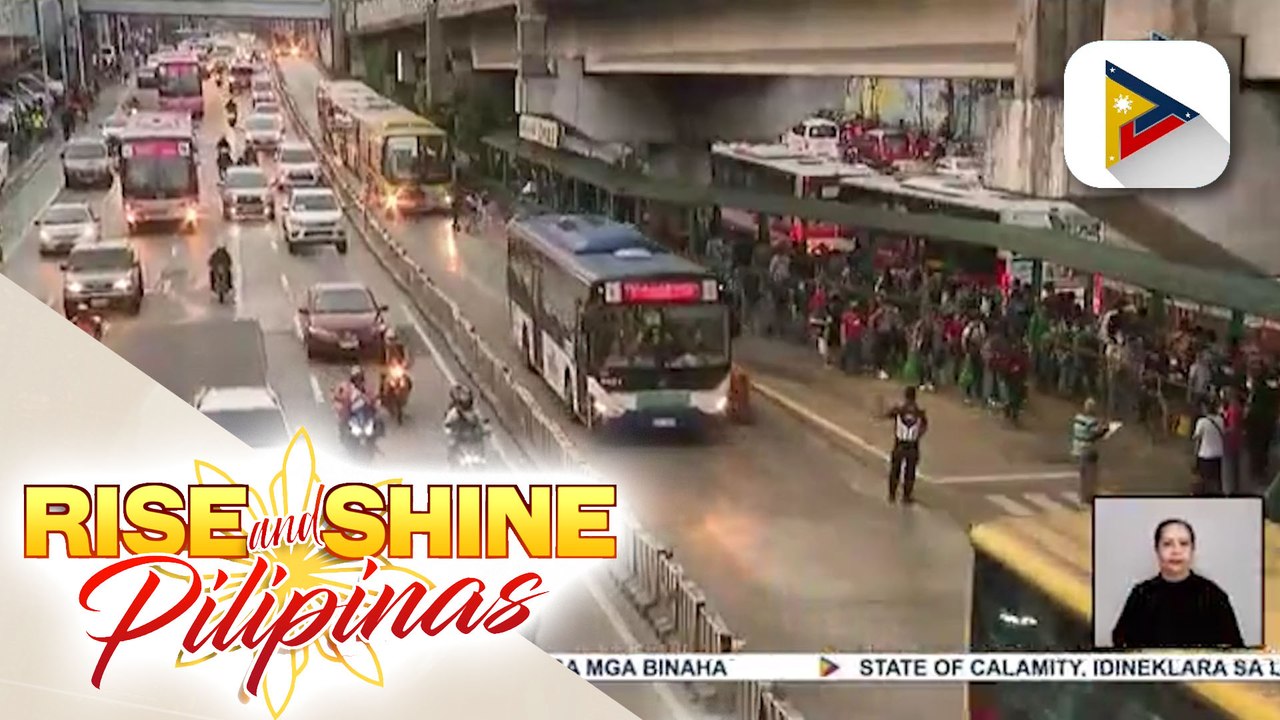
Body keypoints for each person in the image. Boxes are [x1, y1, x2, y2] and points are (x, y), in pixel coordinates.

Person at [1111, 518, 1245, 649]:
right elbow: (1121, 643)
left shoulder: (1213, 596)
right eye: (1167, 544)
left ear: (1193, 550)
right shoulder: (1141, 595)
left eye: (1184, 543)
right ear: (1157, 550)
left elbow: (1234, 649)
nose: (1176, 551)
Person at [883, 385, 928, 504]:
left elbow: (886, 415)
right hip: (912, 445)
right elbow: (924, 427)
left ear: (905, 396)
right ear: (915, 397)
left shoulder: (899, 410)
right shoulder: (919, 412)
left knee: (895, 470)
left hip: (899, 444)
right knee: (910, 472)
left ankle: (892, 495)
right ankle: (906, 496)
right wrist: (917, 435)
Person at [1072, 398, 1110, 505]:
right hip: (1088, 450)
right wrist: (1105, 430)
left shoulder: (1077, 418)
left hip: (1077, 449)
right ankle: (1089, 497)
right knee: (1091, 475)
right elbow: (1095, 434)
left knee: (1082, 475)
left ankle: (1082, 496)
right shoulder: (1092, 422)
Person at [1192, 397, 1226, 496]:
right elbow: (1223, 433)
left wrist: (1195, 455)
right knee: (1216, 478)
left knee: (1203, 479)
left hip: (1205, 454)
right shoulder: (1220, 420)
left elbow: (1196, 438)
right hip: (1218, 454)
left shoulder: (1202, 422)